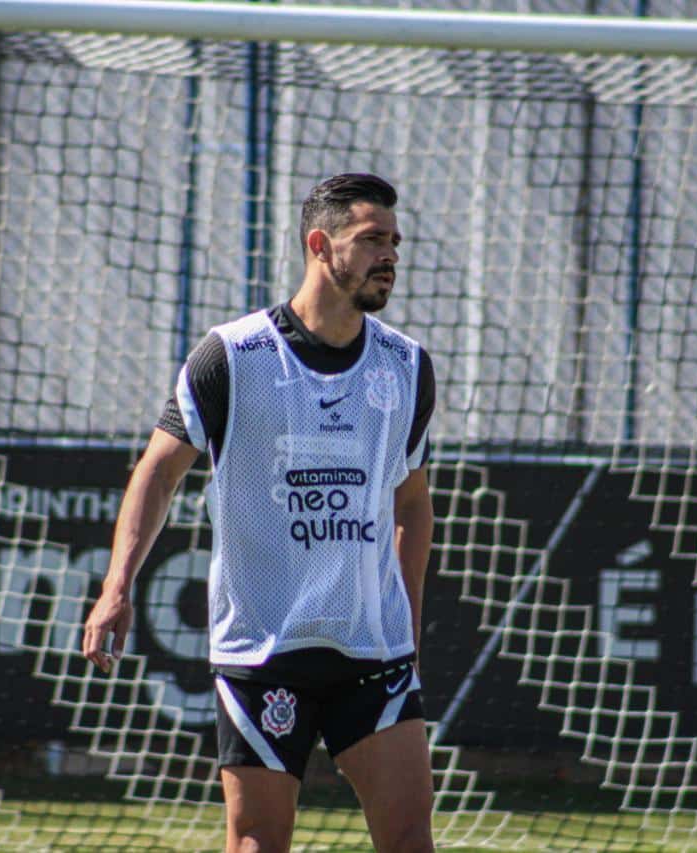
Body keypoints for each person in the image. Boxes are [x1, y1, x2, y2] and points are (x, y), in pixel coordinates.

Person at [83, 173, 436, 852]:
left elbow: (412, 500)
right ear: (318, 246)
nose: (389, 254)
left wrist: (409, 620)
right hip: (262, 652)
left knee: (409, 840)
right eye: (370, 240)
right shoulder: (233, 355)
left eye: (393, 241)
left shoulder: (406, 365)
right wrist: (116, 586)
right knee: (254, 844)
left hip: (373, 649)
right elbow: (155, 471)